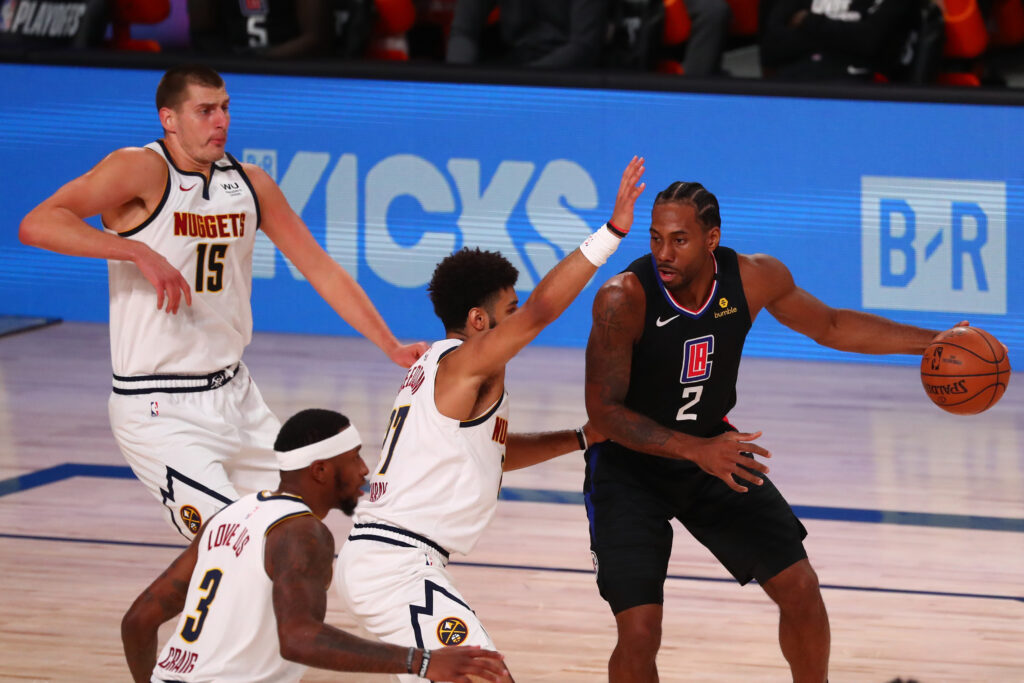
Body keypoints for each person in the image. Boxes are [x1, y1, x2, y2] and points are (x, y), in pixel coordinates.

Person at [18, 64, 426, 540]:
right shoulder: (141, 168)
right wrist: (135, 249)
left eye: (226, 108)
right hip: (157, 406)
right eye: (205, 110)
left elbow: (321, 269)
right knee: (246, 541)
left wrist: (389, 344)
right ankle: (151, 618)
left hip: (236, 396)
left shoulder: (250, 183)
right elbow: (39, 222)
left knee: (300, 529)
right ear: (169, 119)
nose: (221, 121)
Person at [583, 180, 952, 682]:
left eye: (679, 240)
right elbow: (603, 412)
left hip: (714, 452)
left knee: (800, 588)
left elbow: (832, 325)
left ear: (712, 238)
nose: (664, 253)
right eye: (655, 239)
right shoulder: (622, 297)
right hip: (630, 468)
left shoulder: (753, 277)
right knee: (640, 632)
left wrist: (935, 342)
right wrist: (698, 451)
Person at [334, 157, 647, 681]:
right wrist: (611, 233)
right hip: (397, 566)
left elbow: (492, 454)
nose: (517, 321)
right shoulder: (462, 363)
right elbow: (543, 312)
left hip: (390, 560)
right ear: (479, 322)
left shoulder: (448, 373)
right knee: (485, 674)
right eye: (509, 311)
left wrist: (581, 437)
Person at [121, 408, 509, 683]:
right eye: (354, 458)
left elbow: (137, 621)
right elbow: (299, 639)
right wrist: (421, 661)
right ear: (320, 470)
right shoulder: (302, 533)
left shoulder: (226, 518)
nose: (363, 470)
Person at [446, 0, 609, 68]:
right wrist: (459, 81)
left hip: (571, 79)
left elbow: (584, 47)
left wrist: (522, 82)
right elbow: (464, 30)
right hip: (514, 65)